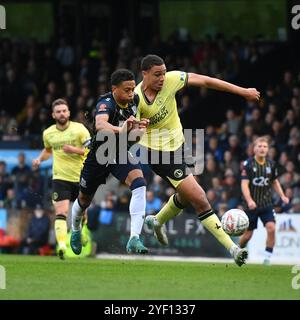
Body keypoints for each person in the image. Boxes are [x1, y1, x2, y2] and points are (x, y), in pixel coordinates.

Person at [135, 54, 260, 266]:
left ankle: (157, 221)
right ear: (144, 74)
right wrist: (136, 129)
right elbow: (128, 133)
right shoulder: (136, 100)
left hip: (179, 147)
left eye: (164, 73)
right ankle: (234, 249)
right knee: (200, 198)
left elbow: (207, 81)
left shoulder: (171, 79)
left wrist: (243, 91)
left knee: (185, 197)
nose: (162, 78)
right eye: (157, 74)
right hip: (158, 154)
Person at [70, 69, 150, 255]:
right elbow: (100, 124)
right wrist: (122, 130)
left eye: (132, 89)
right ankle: (75, 230)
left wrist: (140, 130)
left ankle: (134, 238)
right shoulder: (106, 102)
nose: (131, 94)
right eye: (127, 90)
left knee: (139, 183)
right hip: (99, 154)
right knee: (84, 199)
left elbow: (134, 137)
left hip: (120, 152)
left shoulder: (135, 102)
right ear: (114, 89)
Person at [32, 99, 91, 259]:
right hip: (60, 178)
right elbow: (48, 150)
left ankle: (82, 231)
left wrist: (74, 150)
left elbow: (92, 151)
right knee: (61, 211)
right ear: (53, 115)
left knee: (82, 214)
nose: (62, 113)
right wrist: (39, 159)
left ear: (69, 113)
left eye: (64, 110)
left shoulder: (79, 129)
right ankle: (62, 246)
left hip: (80, 177)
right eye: (58, 111)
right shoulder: (48, 133)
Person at [239, 136, 289, 265]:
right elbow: (244, 185)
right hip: (251, 206)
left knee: (271, 228)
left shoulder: (271, 164)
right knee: (247, 236)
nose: (262, 149)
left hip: (266, 204)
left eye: (265, 146)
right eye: (259, 146)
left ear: (268, 149)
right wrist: (249, 201)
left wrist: (282, 195)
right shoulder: (248, 164)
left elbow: (275, 182)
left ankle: (267, 258)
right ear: (254, 149)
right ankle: (239, 250)